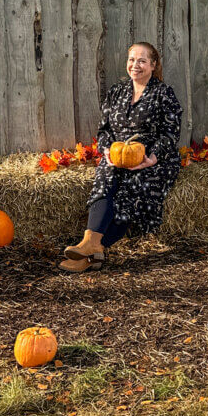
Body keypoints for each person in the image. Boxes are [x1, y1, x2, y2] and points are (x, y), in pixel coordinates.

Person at [59, 42, 182, 273]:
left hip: (151, 160)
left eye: (142, 61)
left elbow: (171, 133)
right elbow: (104, 130)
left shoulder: (164, 94)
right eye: (132, 60)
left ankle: (92, 249)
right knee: (104, 179)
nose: (135, 65)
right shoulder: (117, 91)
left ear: (153, 65)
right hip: (117, 155)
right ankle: (90, 246)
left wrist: (153, 158)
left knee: (129, 192)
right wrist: (106, 150)